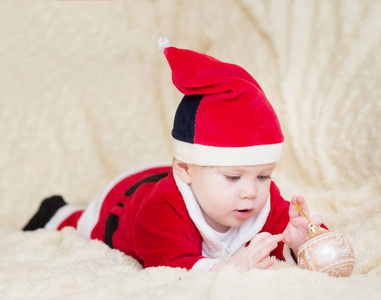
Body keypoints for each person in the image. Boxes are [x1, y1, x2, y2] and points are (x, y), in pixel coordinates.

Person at [23, 38, 326, 271]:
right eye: (233, 177)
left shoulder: (262, 198)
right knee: (84, 226)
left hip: (176, 174)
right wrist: (231, 268)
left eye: (263, 175)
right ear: (184, 169)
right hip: (123, 200)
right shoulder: (161, 213)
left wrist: (303, 240)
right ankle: (56, 211)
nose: (251, 192)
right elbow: (169, 268)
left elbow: (310, 244)